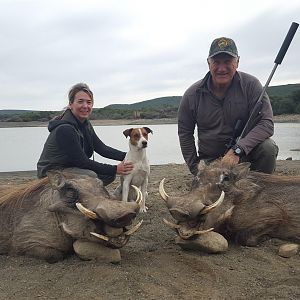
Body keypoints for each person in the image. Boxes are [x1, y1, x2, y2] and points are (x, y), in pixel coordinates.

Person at [178, 37, 278, 176]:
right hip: (210, 159)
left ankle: (262, 188)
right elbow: (185, 133)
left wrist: (238, 149)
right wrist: (195, 168)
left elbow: (266, 123)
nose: (222, 68)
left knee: (268, 148)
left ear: (237, 62)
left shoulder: (252, 85)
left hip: (244, 154)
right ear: (208, 63)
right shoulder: (191, 95)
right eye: (216, 62)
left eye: (228, 61)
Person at [37, 83, 133, 185]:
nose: (85, 106)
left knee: (107, 175)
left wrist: (131, 156)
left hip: (70, 168)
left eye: (89, 102)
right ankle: (72, 197)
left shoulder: (85, 124)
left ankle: (78, 195)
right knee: (92, 176)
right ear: (71, 104)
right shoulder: (65, 129)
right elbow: (82, 161)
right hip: (50, 172)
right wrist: (115, 169)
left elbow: (102, 148)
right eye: (80, 102)